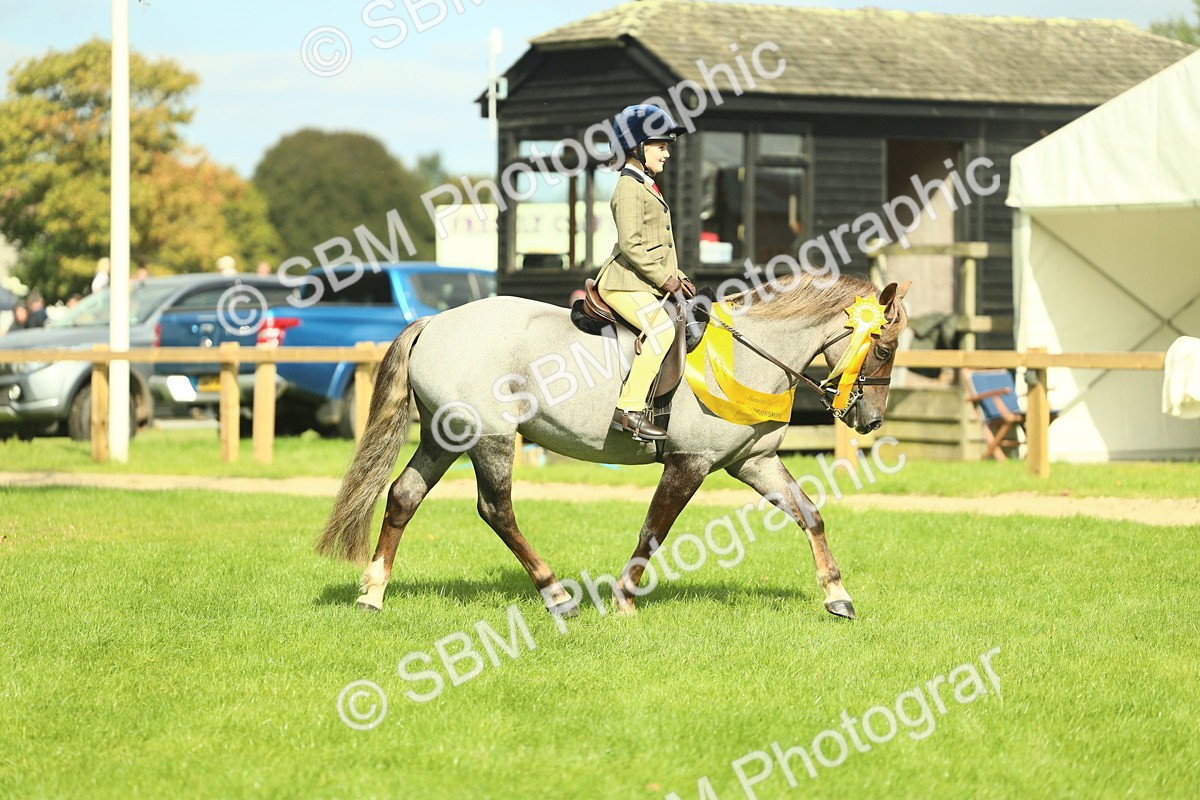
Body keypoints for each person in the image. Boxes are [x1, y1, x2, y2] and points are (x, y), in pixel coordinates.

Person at [596, 103, 695, 440]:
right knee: (662, 330)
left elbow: (659, 243)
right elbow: (632, 244)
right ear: (637, 148)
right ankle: (629, 408)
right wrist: (664, 278)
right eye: (661, 147)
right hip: (622, 283)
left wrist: (677, 274)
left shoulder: (646, 183)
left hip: (642, 281)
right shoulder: (628, 187)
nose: (667, 154)